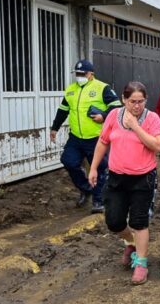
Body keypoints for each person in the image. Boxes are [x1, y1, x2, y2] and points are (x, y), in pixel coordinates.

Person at [88, 81, 160, 285]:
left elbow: (157, 146)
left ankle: (141, 263)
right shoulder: (113, 116)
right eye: (132, 101)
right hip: (117, 177)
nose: (136, 106)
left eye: (140, 101)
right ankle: (130, 242)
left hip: (143, 177)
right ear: (124, 99)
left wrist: (135, 126)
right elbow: (103, 141)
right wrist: (94, 167)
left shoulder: (152, 118)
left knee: (139, 221)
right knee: (114, 221)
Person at [50, 59, 122, 214]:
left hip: (96, 137)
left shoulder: (102, 88)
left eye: (83, 73)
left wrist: (103, 116)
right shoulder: (70, 90)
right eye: (77, 73)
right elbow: (63, 110)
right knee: (68, 161)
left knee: (100, 169)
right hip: (76, 137)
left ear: (91, 74)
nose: (79, 76)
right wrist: (54, 128)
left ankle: (98, 201)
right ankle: (86, 188)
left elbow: (117, 107)